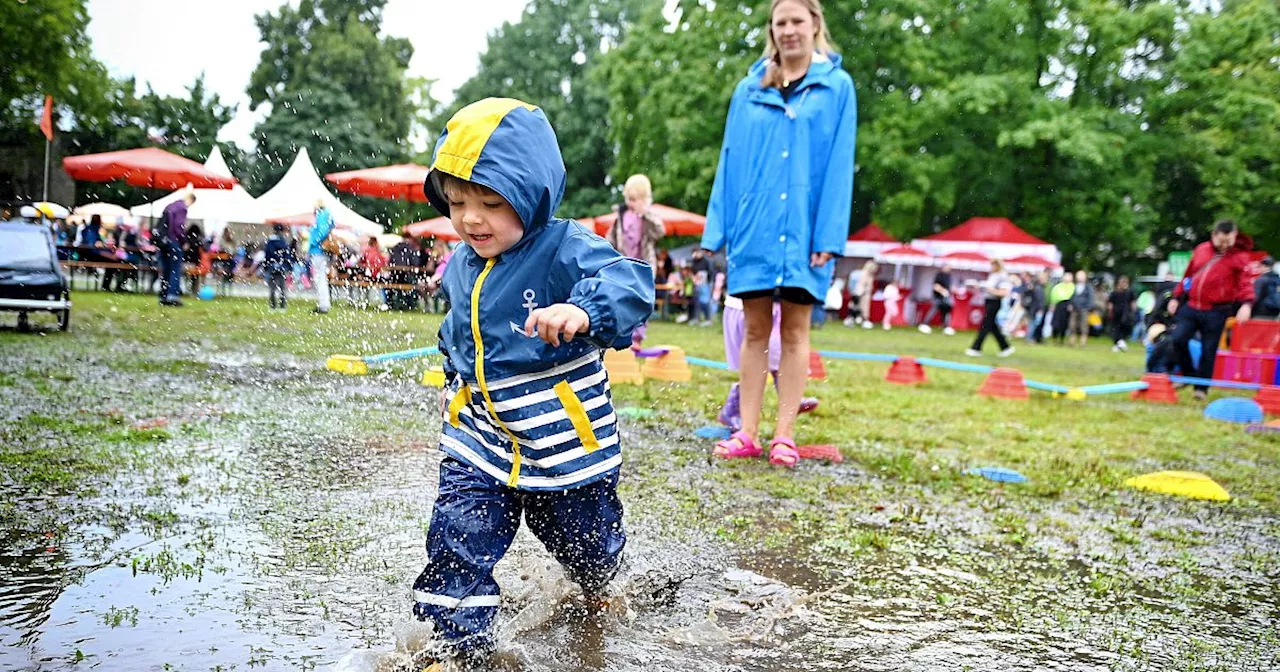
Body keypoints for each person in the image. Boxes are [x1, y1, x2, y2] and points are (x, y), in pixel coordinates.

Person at [410, 98, 654, 665]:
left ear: (532, 195)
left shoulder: (563, 247)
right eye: (458, 201)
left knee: (585, 548)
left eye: (491, 203)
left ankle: (600, 587)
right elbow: (458, 323)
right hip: (481, 439)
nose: (471, 219)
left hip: (561, 444)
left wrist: (585, 311)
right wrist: (452, 356)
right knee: (457, 538)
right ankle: (459, 645)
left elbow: (631, 282)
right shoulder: (464, 260)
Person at [702, 0, 855, 467]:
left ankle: (783, 434)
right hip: (756, 228)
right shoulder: (749, 90)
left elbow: (839, 165)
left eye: (797, 21)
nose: (789, 30)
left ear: (814, 25)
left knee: (794, 330)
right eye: (780, 22)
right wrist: (717, 231)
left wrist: (828, 237)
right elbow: (729, 161)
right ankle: (746, 431)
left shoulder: (836, 88)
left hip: (806, 230)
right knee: (753, 330)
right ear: (773, 30)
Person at [1171, 219, 1255, 400]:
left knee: (1208, 350)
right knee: (1177, 340)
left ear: (1234, 236)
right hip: (1192, 306)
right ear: (1213, 236)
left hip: (1217, 310)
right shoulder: (1201, 249)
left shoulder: (1239, 257)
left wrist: (1247, 305)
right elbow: (1188, 275)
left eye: (1229, 241)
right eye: (1221, 241)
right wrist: (1176, 297)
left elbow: (1245, 283)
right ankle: (1188, 375)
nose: (1225, 245)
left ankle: (1201, 389)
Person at [965, 259, 1015, 357]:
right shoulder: (993, 275)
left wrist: (989, 290)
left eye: (992, 265)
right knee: (992, 326)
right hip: (988, 301)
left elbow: (1003, 292)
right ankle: (1005, 347)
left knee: (985, 325)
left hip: (994, 302)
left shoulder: (1002, 276)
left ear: (997, 265)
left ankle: (976, 348)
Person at [158, 192, 195, 306]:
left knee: (166, 269)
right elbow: (178, 226)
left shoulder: (171, 206)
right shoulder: (182, 208)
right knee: (175, 268)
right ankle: (172, 296)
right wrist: (183, 241)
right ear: (191, 200)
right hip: (173, 241)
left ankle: (163, 296)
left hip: (163, 242)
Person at [308, 199, 335, 314]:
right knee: (321, 277)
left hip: (318, 250)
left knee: (320, 278)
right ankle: (324, 304)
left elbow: (322, 230)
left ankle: (324, 305)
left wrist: (314, 241)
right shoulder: (327, 215)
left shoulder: (322, 215)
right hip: (322, 251)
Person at [260, 224, 295, 311]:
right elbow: (287, 255)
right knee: (282, 287)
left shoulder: (270, 242)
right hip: (281, 267)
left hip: (271, 266)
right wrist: (288, 266)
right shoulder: (283, 242)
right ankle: (282, 306)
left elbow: (267, 255)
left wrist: (265, 266)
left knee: (272, 287)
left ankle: (273, 306)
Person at [918, 265, 955, 335]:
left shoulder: (949, 276)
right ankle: (925, 324)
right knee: (934, 310)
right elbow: (936, 286)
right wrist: (943, 291)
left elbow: (949, 287)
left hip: (946, 298)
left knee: (945, 312)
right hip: (937, 297)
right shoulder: (939, 275)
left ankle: (946, 327)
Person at [1107, 275, 1136, 352]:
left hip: (1126, 313)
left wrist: (1133, 312)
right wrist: (1110, 312)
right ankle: (1117, 343)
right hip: (1116, 313)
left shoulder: (1129, 292)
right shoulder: (1115, 292)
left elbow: (1132, 303)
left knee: (1125, 328)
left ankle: (1121, 341)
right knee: (1115, 329)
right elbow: (1110, 303)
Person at [845, 261, 877, 328]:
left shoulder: (856, 273)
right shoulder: (866, 275)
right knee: (862, 308)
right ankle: (864, 321)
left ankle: (851, 320)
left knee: (855, 307)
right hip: (863, 294)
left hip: (856, 293)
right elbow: (862, 285)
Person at [1067, 270, 1094, 347]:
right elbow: (1072, 296)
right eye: (1079, 276)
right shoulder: (1075, 286)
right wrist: (1070, 304)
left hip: (1084, 308)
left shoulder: (1088, 287)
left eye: (1082, 276)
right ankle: (1072, 339)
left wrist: (1088, 307)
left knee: (1084, 325)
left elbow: (1091, 298)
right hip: (1075, 308)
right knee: (1072, 324)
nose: (1080, 277)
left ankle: (1083, 340)